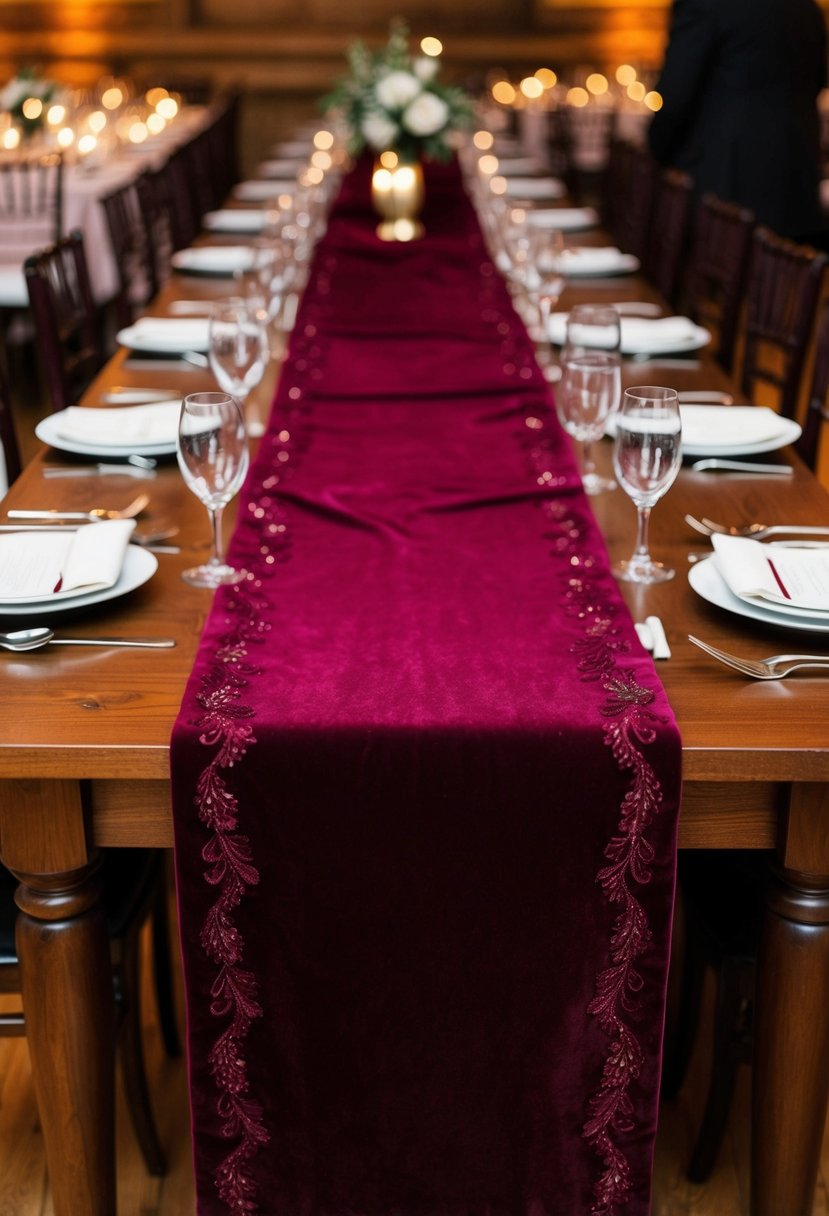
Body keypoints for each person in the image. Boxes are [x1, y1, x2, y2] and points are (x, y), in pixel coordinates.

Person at [648, 0, 828, 244]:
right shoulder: (806, 7)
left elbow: (675, 98)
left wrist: (655, 154)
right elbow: (817, 83)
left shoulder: (705, 5)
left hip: (725, 189)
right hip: (796, 185)